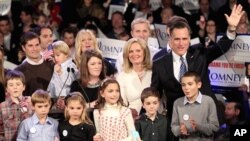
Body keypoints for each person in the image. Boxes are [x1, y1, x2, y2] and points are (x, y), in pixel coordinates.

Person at [151, 4, 244, 128]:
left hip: (206, 118)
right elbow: (154, 94)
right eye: (177, 39)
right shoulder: (159, 63)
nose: (181, 43)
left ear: (189, 39)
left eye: (184, 39)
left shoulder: (199, 54)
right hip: (178, 122)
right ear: (170, 39)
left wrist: (232, 28)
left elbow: (220, 48)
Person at [171, 71, 219, 140]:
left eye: (190, 84)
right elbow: (173, 126)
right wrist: (180, 130)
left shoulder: (208, 101)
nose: (186, 88)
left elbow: (214, 127)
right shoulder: (178, 103)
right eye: (183, 85)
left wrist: (198, 127)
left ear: (199, 85)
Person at [116, 38, 152, 115]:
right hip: (132, 118)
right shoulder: (122, 76)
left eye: (138, 51)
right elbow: (122, 104)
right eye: (130, 51)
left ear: (145, 53)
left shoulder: (154, 72)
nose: (134, 54)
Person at [15, 32, 54, 96]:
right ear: (23, 48)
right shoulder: (19, 71)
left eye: (37, 45)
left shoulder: (52, 64)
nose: (35, 49)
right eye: (30, 46)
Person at [0, 70, 33, 140]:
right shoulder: (2, 106)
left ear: (24, 87)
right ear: (7, 89)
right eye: (11, 85)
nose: (15, 87)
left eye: (18, 84)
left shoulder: (31, 103)